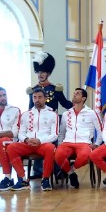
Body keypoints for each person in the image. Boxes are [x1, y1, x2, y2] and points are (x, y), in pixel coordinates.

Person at [28, 51, 72, 179]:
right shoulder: (33, 90)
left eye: (42, 71)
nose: (40, 74)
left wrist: (77, 105)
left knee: (56, 145)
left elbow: (64, 103)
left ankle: (58, 171)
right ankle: (38, 171)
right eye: (38, 72)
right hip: (38, 122)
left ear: (48, 73)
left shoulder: (55, 89)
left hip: (54, 122)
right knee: (36, 140)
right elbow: (30, 108)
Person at [4, 88, 59, 192]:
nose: (37, 100)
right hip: (28, 144)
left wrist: (40, 141)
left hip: (43, 144)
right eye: (34, 97)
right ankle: (22, 180)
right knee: (11, 148)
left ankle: (46, 179)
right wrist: (26, 140)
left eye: (40, 97)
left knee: (51, 148)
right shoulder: (25, 114)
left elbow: (55, 134)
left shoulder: (52, 114)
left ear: (45, 98)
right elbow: (21, 133)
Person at [54, 88, 102, 189]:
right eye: (74, 93)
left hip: (84, 143)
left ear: (83, 98)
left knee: (85, 156)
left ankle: (68, 169)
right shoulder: (67, 114)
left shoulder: (91, 113)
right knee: (58, 155)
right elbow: (62, 132)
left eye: (78, 94)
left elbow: (101, 130)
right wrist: (59, 144)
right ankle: (71, 174)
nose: (74, 95)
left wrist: (97, 144)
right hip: (68, 142)